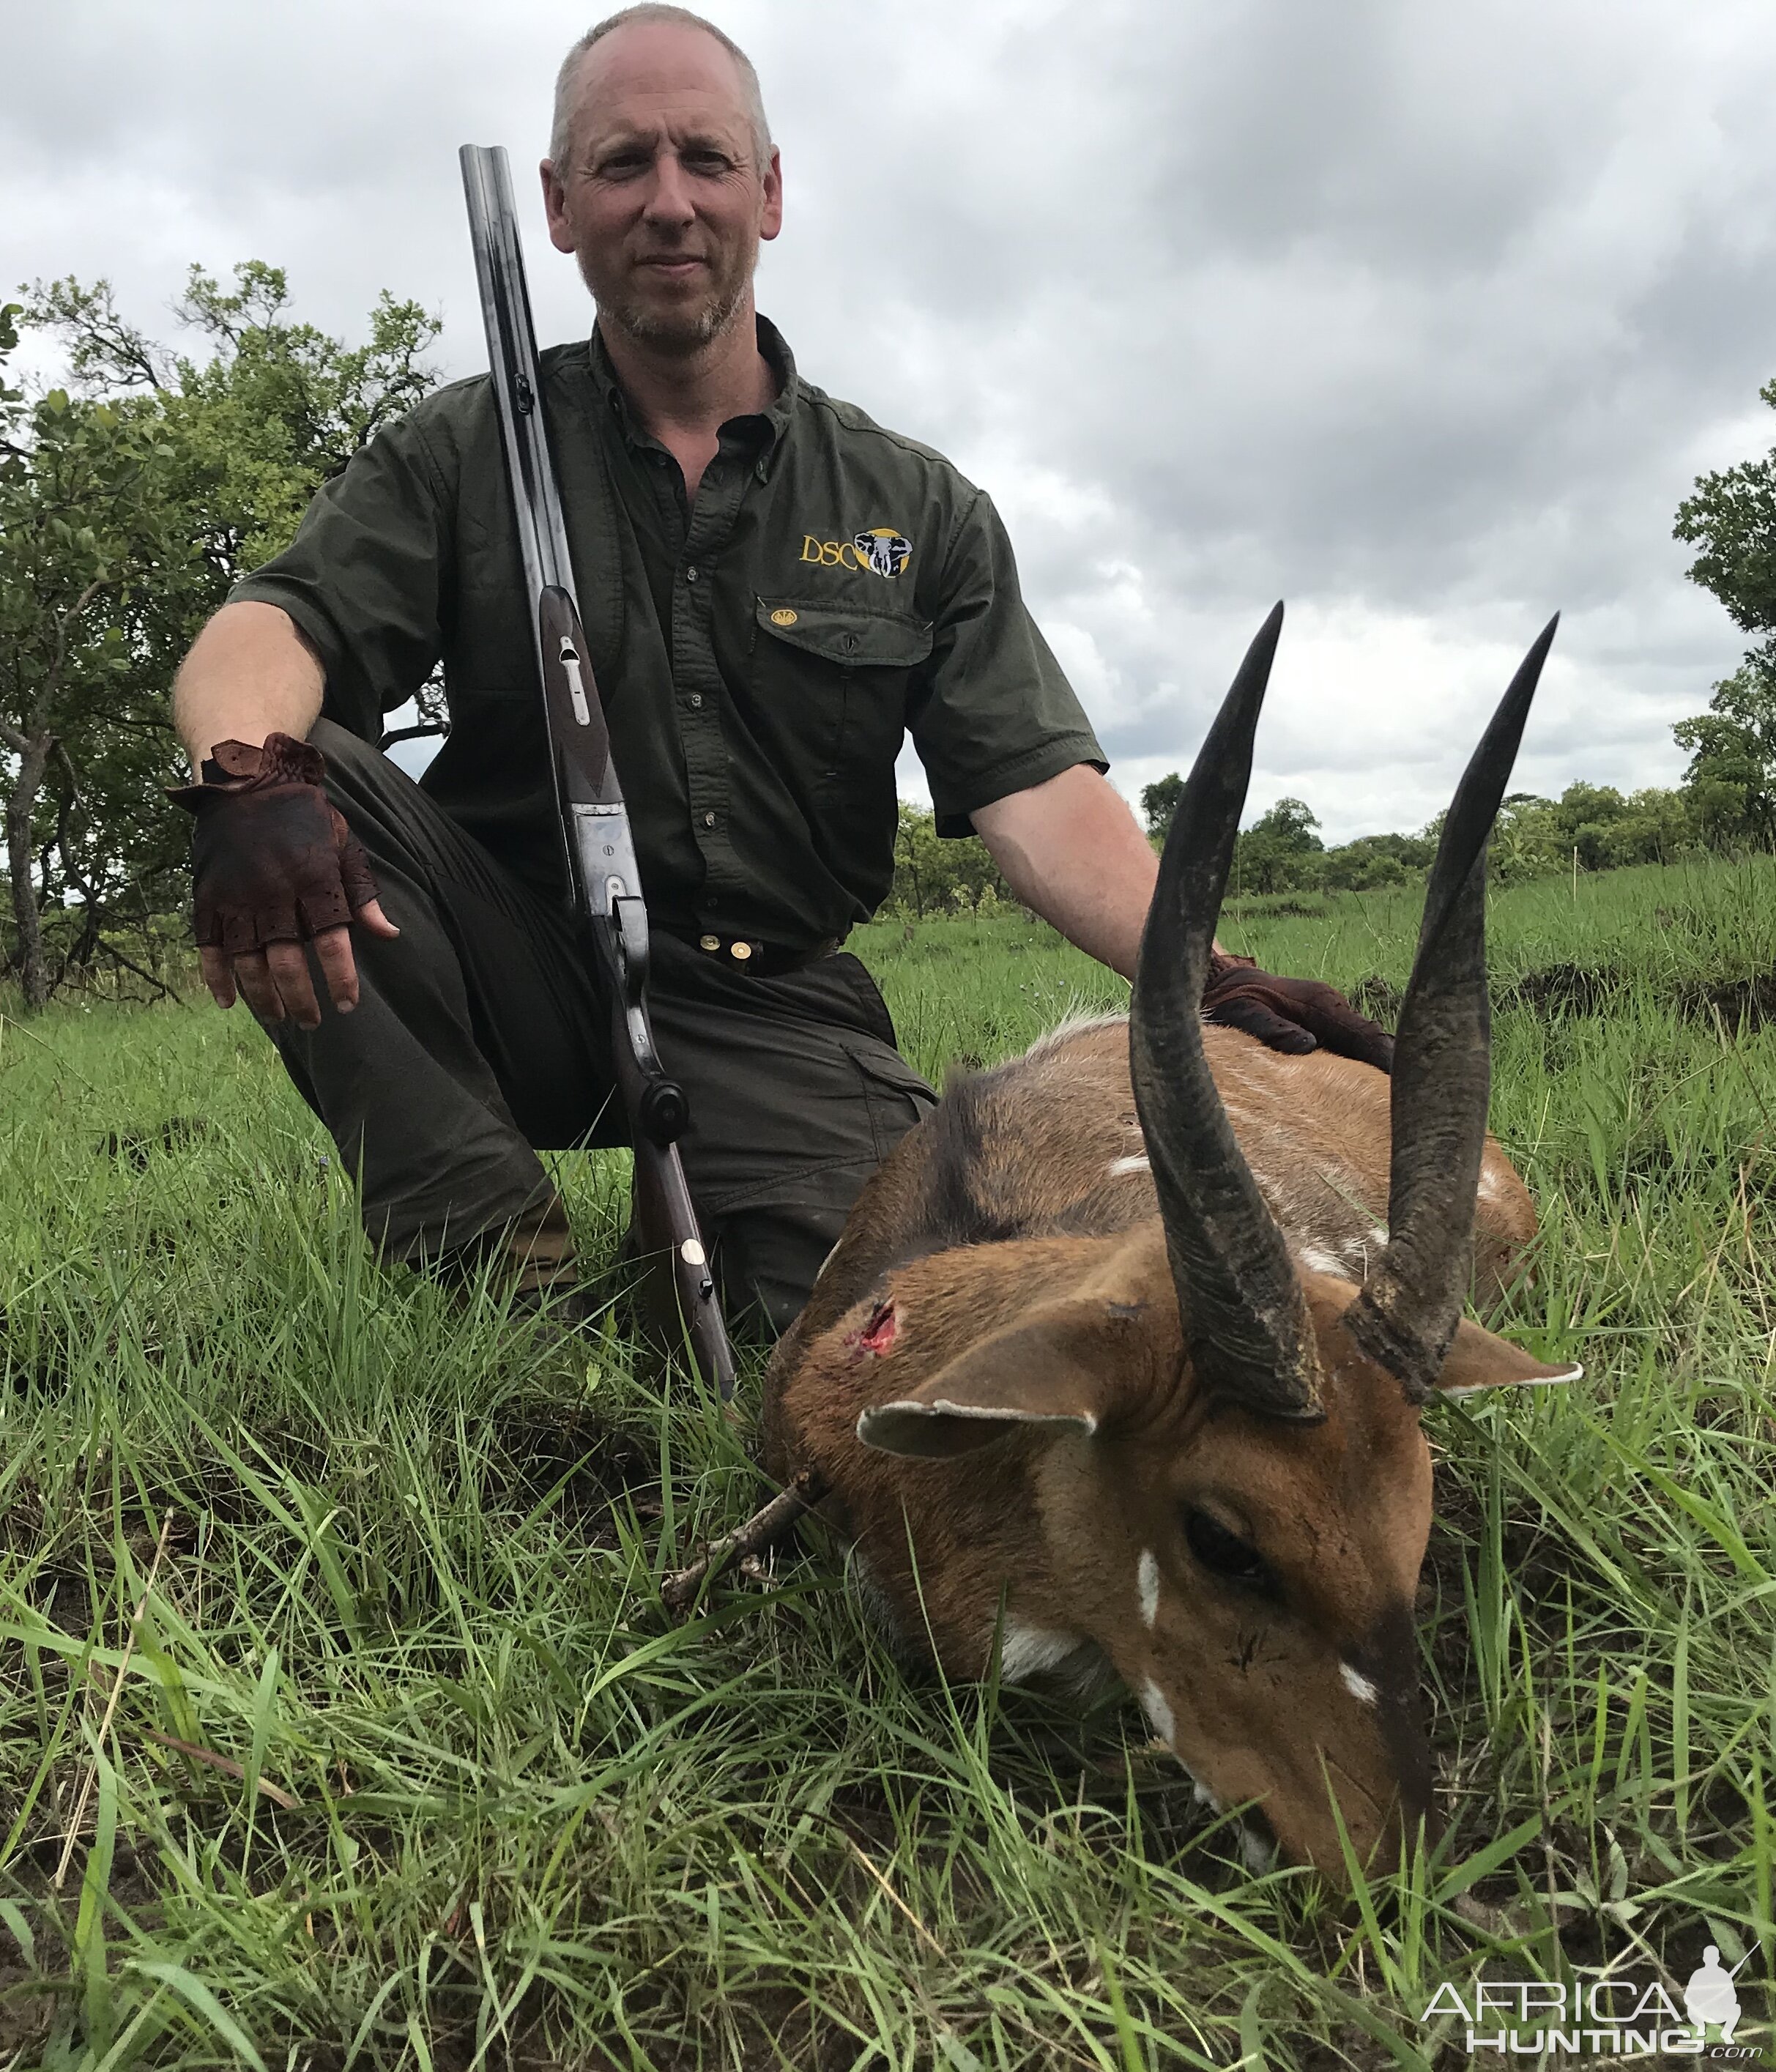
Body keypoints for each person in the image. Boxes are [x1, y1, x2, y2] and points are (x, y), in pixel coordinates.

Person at [168, 4, 1391, 1334]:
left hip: (770, 996)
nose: (670, 204)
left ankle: (698, 1214)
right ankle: (489, 1271)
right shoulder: (460, 448)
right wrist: (247, 779)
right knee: (299, 779)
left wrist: (1205, 969)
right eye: (623, 164)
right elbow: (268, 631)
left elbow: (1039, 800)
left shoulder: (916, 503)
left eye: (705, 159)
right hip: (511, 956)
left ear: (770, 191)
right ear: (559, 205)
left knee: (884, 1321)